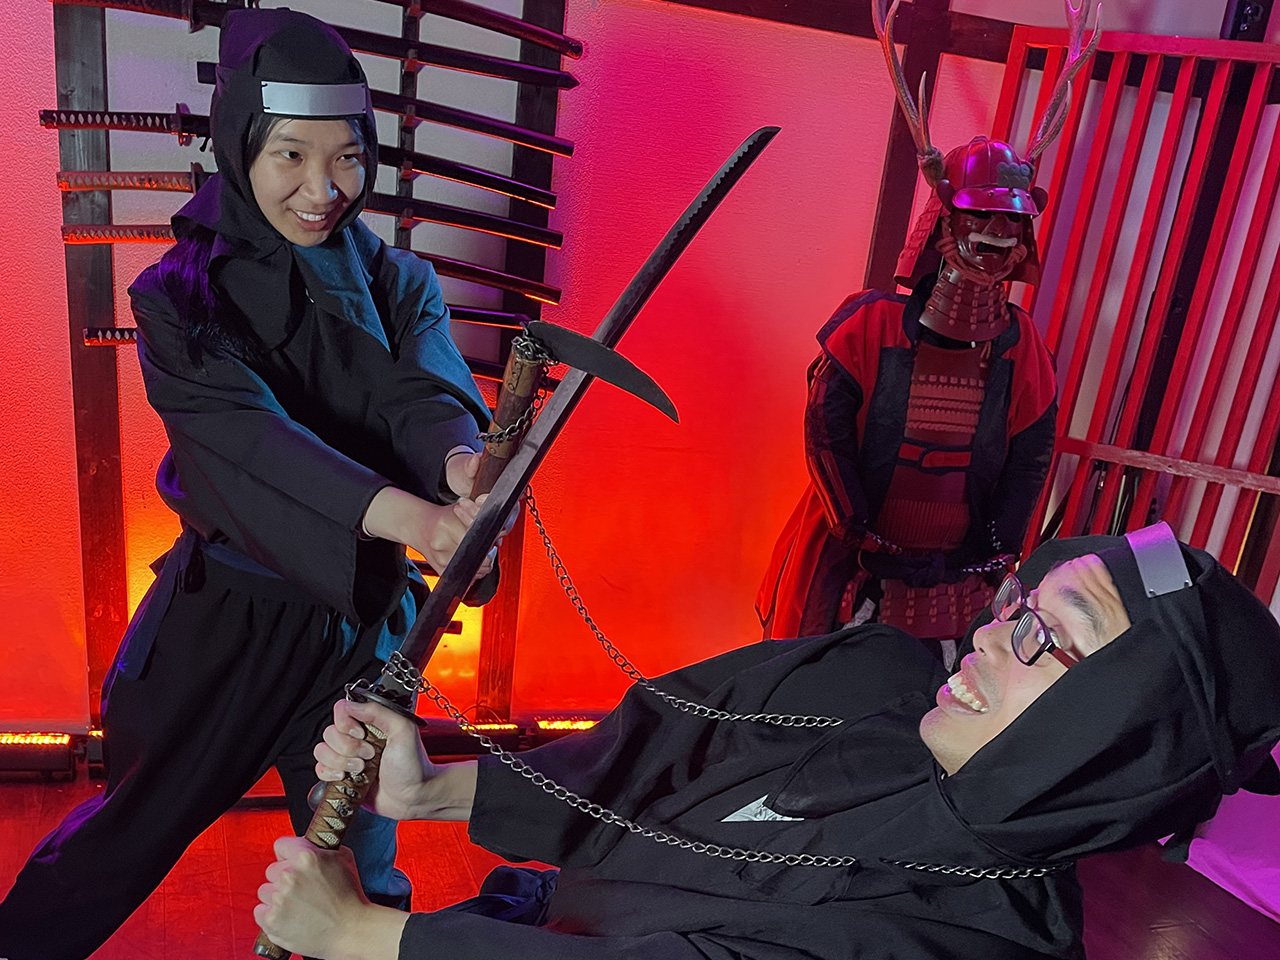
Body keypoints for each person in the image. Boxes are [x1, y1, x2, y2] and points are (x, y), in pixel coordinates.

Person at [0, 10, 506, 960]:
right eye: (291, 156)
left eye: (346, 157)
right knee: (119, 845)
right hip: (226, 625)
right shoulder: (175, 298)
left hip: (360, 627)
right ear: (239, 145)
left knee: (361, 868)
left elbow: (425, 394)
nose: (323, 190)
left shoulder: (400, 281)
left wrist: (462, 470)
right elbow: (258, 446)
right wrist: (421, 520)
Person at [254, 522, 1280, 960]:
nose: (988, 633)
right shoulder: (877, 679)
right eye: (1019, 600)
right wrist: (434, 792)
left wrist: (371, 938)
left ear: (1112, 739)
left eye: (1046, 638)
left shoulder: (971, 940)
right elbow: (659, 750)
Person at [755, 0, 1093, 662]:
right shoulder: (869, 326)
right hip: (854, 561)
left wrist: (996, 548)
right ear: (945, 221)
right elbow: (826, 436)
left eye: (1011, 220)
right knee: (814, 682)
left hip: (959, 574)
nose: (997, 233)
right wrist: (855, 527)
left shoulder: (1024, 350)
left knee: (940, 691)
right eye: (981, 216)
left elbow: (1029, 460)